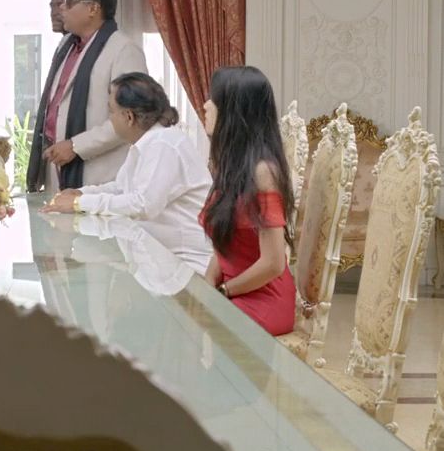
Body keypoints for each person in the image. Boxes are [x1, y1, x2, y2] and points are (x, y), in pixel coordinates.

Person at [42, 73, 212, 273]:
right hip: (158, 262)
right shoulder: (148, 142)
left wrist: (79, 203)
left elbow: (143, 204)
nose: (110, 119)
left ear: (129, 117)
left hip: (186, 267)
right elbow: (121, 188)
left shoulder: (163, 144)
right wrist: (81, 193)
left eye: (111, 112)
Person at [27, 0, 148, 193]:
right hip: (58, 165)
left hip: (98, 173)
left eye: (69, 1)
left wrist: (76, 146)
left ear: (93, 8)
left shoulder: (123, 50)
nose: (61, 7)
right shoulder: (67, 45)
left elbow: (131, 117)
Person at [199, 66, 295, 335]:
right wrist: (209, 282)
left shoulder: (263, 172)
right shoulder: (230, 167)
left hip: (263, 298)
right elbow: (225, 243)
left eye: (214, 99)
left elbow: (273, 263)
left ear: (234, 111)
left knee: (184, 330)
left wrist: (223, 291)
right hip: (236, 291)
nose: (205, 105)